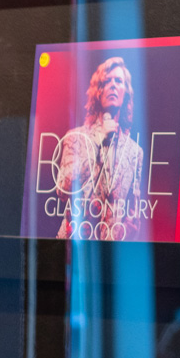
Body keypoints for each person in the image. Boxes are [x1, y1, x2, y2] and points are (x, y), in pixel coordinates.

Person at [53, 56, 143, 240]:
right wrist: (98, 139)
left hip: (109, 254)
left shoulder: (135, 152)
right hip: (73, 247)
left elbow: (134, 212)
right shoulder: (76, 137)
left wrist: (123, 235)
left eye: (118, 81)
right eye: (106, 81)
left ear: (125, 92)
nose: (112, 85)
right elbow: (63, 188)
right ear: (98, 91)